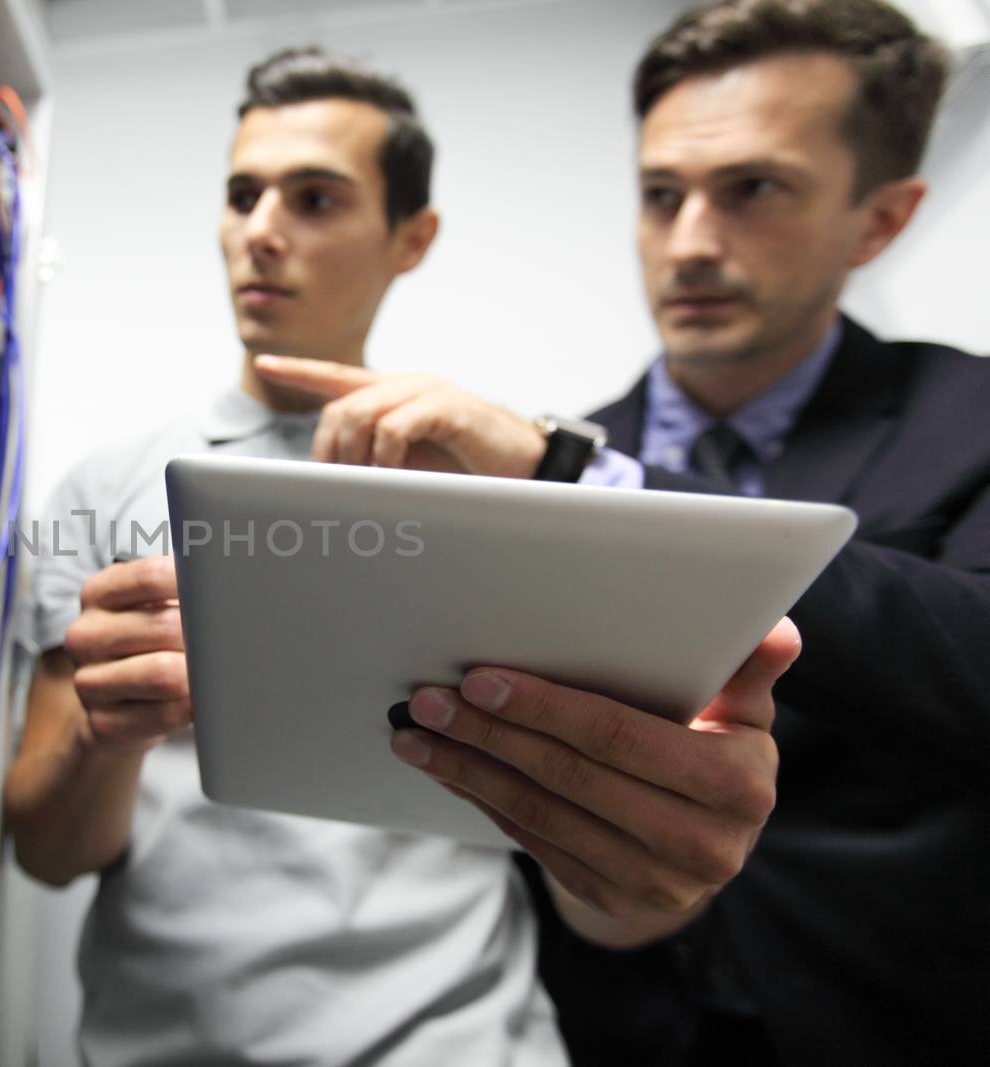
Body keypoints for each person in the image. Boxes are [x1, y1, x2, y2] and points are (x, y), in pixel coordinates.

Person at [5, 48, 793, 1066]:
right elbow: (49, 851)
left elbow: (605, 872)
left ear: (409, 238)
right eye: (242, 194)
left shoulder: (501, 486)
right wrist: (101, 736)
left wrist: (654, 859)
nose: (261, 230)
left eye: (315, 197)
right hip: (166, 1040)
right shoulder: (108, 488)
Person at [255, 3, 990, 1063]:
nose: (689, 241)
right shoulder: (545, 466)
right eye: (661, 195)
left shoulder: (966, 418)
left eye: (753, 189)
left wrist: (576, 472)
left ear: (879, 218)